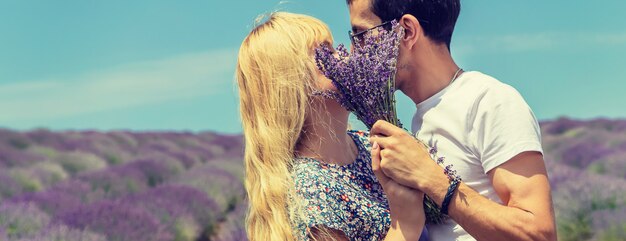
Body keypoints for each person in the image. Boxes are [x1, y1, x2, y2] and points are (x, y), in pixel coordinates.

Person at [344, 0, 557, 240]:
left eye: (361, 35)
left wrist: (431, 176)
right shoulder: (419, 119)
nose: (354, 54)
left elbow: (538, 233)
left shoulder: (488, 100)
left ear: (407, 31)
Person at [236, 12, 427, 241]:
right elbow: (407, 223)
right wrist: (403, 226)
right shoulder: (310, 190)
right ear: (292, 83)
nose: (346, 57)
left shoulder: (367, 143)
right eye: (326, 52)